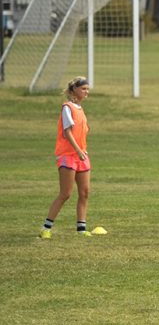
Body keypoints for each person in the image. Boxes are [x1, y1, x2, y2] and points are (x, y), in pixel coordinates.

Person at [39, 76, 107, 239]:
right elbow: (67, 132)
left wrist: (81, 151)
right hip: (69, 156)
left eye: (87, 89)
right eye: (83, 89)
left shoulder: (80, 109)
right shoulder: (67, 107)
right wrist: (77, 150)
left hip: (81, 155)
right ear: (74, 90)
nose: (86, 92)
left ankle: (81, 229)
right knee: (66, 193)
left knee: (85, 193)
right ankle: (46, 228)